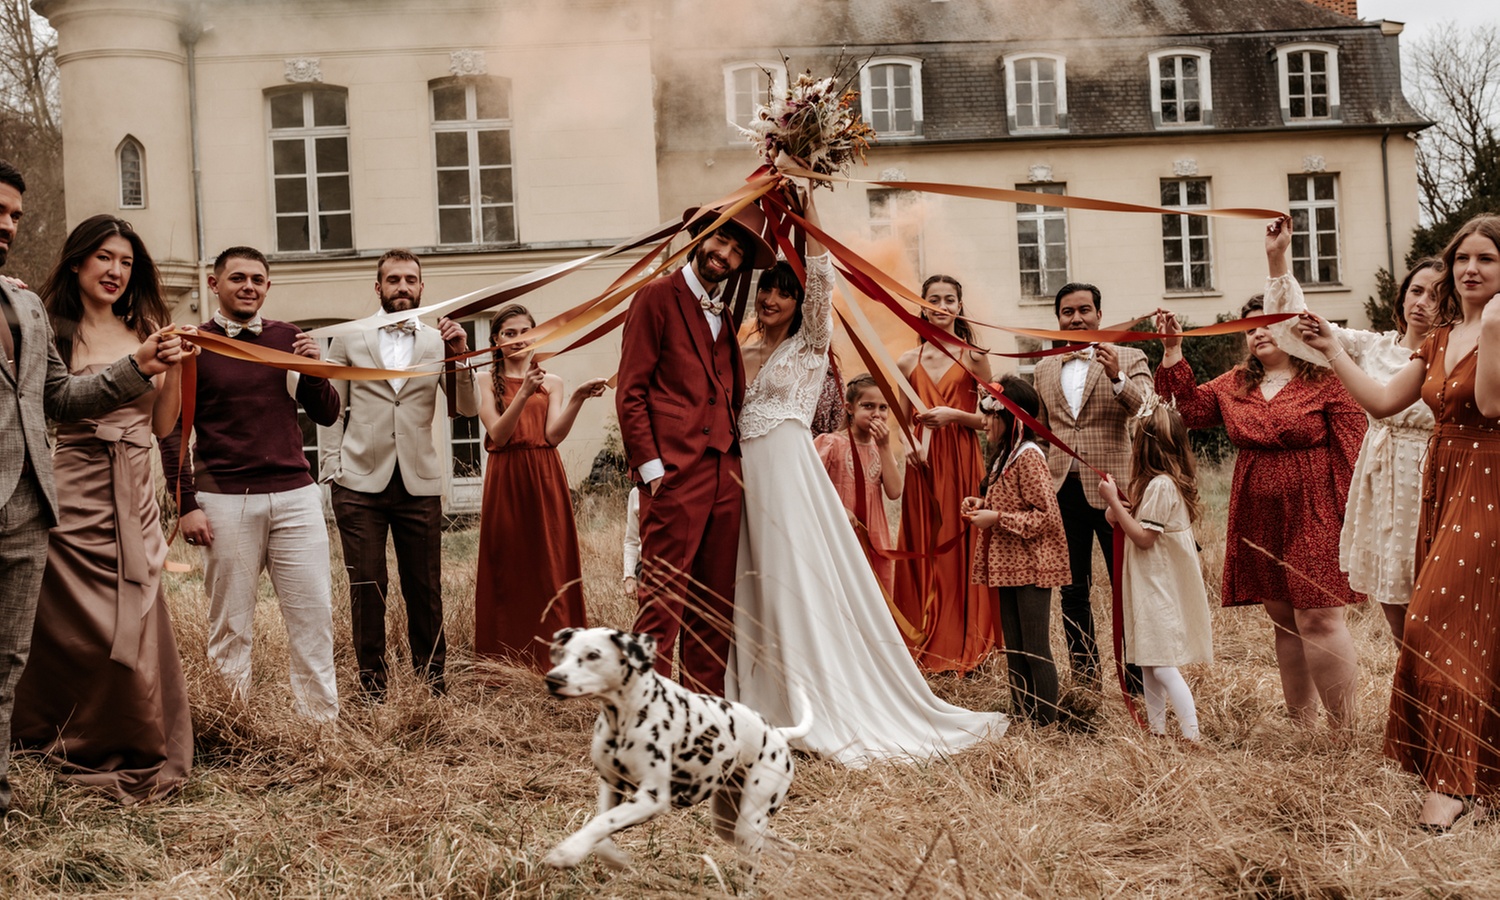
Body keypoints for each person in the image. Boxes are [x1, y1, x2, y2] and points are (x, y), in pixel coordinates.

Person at [727, 187, 1007, 765]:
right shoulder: (738, 351)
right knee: (750, 576)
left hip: (787, 470)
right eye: (767, 290)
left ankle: (815, 693)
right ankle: (760, 693)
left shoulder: (809, 347)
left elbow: (824, 273)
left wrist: (806, 210)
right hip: (743, 473)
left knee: (793, 574)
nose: (773, 299)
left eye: (784, 290)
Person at [1297, 214, 1500, 830]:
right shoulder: (1438, 340)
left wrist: (1491, 324)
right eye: (1462, 258)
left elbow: (1491, 404)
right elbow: (1382, 402)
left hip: (1490, 483)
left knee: (1439, 622)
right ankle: (1483, 776)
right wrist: (1333, 350)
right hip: (1442, 483)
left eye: (1487, 260)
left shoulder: (1499, 326)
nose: (1470, 269)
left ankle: (1452, 784)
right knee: (1466, 628)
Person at [0, 160, 186, 816]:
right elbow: (52, 408)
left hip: (134, 490)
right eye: (103, 257)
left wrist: (172, 369)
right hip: (72, 488)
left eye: (126, 262)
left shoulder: (140, 328)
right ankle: (58, 738)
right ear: (77, 263)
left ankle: (134, 739)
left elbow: (160, 422)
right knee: (70, 627)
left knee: (132, 619)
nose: (115, 270)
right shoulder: (45, 321)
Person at [1155, 292, 1366, 733]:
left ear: (1293, 328)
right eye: (1251, 328)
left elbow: (1354, 451)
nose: (1259, 333)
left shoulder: (1329, 380)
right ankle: (1301, 726)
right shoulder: (1235, 383)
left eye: (1269, 324)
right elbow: (1186, 411)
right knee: (1286, 620)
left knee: (1319, 616)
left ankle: (1344, 731)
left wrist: (1355, 518)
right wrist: (1174, 351)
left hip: (1318, 506)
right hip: (1258, 509)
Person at [160, 246, 341, 722]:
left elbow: (326, 413)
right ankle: (231, 726)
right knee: (231, 624)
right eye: (237, 278)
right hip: (224, 501)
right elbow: (172, 430)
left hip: (296, 496)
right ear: (214, 285)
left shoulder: (287, 338)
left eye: (258, 279)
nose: (249, 286)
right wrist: (186, 503)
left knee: (313, 615)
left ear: (267, 287)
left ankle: (320, 725)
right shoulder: (193, 343)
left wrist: (316, 369)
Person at [615, 201, 775, 695]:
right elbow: (631, 391)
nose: (724, 253)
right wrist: (652, 470)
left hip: (725, 475)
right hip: (674, 475)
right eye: (720, 240)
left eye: (735, 250)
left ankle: (701, 712)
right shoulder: (656, 297)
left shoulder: (724, 315)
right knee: (662, 599)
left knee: (712, 603)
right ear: (700, 236)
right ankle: (648, 713)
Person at [1260, 218, 1439, 644]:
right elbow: (1292, 331)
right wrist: (1277, 257)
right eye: (1416, 290)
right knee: (1396, 612)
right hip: (1380, 481)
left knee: (1435, 605)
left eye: (1436, 295)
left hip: (1432, 476)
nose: (1423, 302)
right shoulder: (1371, 346)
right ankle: (1411, 699)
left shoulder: (1458, 352)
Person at [319, 249, 478, 700]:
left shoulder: (436, 341)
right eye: (393, 280)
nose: (403, 287)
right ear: (378, 287)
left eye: (411, 280)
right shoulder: (350, 337)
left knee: (424, 588)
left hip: (419, 482)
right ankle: (372, 689)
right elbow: (330, 410)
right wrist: (332, 469)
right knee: (368, 587)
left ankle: (433, 686)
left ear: (422, 287)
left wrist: (460, 355)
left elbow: (465, 409)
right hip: (358, 484)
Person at [473, 304, 607, 671]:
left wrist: (577, 397)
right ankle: (505, 662)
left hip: (545, 475)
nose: (518, 339)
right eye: (509, 333)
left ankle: (557, 659)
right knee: (509, 568)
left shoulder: (554, 382)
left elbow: (553, 436)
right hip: (507, 476)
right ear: (496, 342)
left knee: (550, 565)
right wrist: (523, 392)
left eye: (525, 332)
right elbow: (498, 435)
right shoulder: (484, 380)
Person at [1031, 283, 1151, 691]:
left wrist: (1116, 374)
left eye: (1084, 310)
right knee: (1072, 592)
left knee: (1126, 588)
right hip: (1062, 489)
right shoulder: (1044, 367)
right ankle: (1086, 681)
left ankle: (1136, 680)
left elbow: (1148, 412)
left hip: (1116, 490)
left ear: (1100, 314)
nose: (1076, 318)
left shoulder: (1130, 356)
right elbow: (1043, 431)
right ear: (1059, 319)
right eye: (1068, 312)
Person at [890, 274, 998, 674]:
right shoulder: (906, 360)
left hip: (963, 460)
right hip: (924, 464)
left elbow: (991, 422)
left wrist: (954, 415)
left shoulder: (973, 357)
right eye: (934, 299)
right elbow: (901, 420)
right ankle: (922, 636)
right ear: (923, 306)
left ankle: (968, 639)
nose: (942, 306)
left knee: (962, 541)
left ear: (959, 306)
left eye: (949, 299)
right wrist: (910, 446)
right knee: (926, 542)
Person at [1098, 400, 1213, 742]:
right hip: (1149, 581)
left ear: (1144, 447)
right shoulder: (1155, 486)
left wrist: (1115, 503)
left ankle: (1192, 736)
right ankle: (1158, 733)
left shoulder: (1162, 486)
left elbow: (1145, 539)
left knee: (1162, 663)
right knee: (1148, 660)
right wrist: (1117, 507)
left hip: (1159, 583)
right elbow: (1128, 522)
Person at [961, 376, 1068, 727]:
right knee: (1016, 649)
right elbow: (1012, 500)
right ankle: (1022, 716)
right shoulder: (1004, 456)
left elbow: (1046, 516)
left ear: (1014, 419)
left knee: (1035, 649)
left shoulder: (1029, 456)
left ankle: (1046, 724)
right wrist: (983, 503)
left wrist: (997, 518)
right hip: (1009, 566)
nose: (986, 422)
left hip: (1032, 567)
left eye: (993, 415)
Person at [815, 373, 902, 595]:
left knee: (874, 595)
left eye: (883, 408)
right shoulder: (831, 443)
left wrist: (884, 447)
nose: (877, 414)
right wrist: (838, 507)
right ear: (850, 408)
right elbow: (810, 485)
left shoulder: (880, 449)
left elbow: (894, 491)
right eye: (868, 406)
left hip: (875, 537)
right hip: (840, 532)